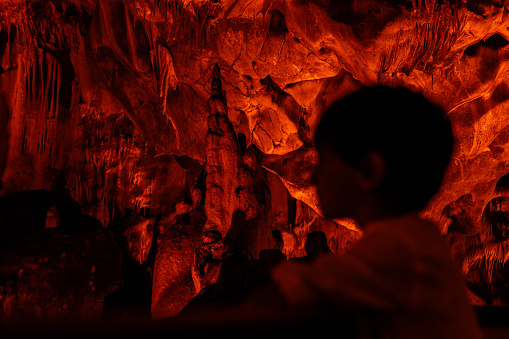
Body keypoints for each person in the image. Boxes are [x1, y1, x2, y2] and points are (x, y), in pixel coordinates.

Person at [266, 85, 483, 338]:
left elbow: (296, 290)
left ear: (368, 170)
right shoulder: (416, 241)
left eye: (324, 160)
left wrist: (280, 274)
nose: (314, 178)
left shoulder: (401, 249)